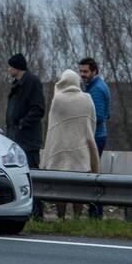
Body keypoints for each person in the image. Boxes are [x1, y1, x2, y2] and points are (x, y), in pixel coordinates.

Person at [43, 69, 100, 219]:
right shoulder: (87, 98)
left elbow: (52, 127)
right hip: (80, 151)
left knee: (60, 189)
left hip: (60, 151)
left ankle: (61, 217)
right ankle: (76, 217)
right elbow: (92, 124)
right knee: (78, 188)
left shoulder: (58, 100)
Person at [5, 53, 46, 219]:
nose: (8, 69)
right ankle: (24, 211)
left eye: (9, 66)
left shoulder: (32, 82)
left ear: (16, 67)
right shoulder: (17, 84)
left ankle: (37, 213)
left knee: (32, 175)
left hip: (28, 140)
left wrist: (21, 125)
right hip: (16, 138)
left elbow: (38, 108)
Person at [79, 56, 111, 219]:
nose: (82, 74)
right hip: (99, 135)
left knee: (93, 175)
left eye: (85, 71)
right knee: (93, 174)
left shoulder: (96, 89)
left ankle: (95, 213)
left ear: (94, 71)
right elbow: (107, 114)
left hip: (95, 137)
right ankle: (94, 213)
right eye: (81, 71)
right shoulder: (95, 86)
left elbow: (97, 117)